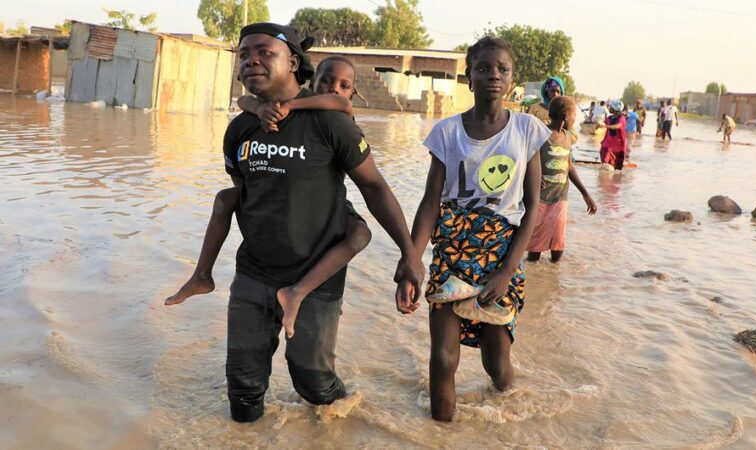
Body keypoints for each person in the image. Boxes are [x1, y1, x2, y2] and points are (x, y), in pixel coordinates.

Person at [170, 22, 424, 423]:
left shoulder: (330, 123)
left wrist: (410, 255)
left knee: (314, 383)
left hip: (315, 276)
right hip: (253, 272)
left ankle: (354, 426)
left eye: (264, 52)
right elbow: (245, 191)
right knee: (243, 388)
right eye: (244, 54)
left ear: (292, 62)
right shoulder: (239, 129)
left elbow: (375, 188)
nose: (251, 59)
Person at [405, 36, 549, 422]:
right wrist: (412, 261)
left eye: (502, 69)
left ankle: (505, 414)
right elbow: (430, 202)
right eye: (483, 68)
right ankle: (440, 432)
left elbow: (532, 206)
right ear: (469, 76)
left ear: (512, 78)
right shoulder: (447, 133)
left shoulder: (526, 130)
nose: (493, 75)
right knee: (442, 358)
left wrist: (506, 272)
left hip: (502, 253)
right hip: (452, 252)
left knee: (496, 362)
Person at [232, 56, 373, 338]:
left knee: (360, 234)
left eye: (344, 85)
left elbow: (339, 104)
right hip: (290, 205)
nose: (334, 89)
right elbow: (241, 101)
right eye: (326, 81)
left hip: (327, 203)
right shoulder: (287, 117)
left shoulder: (340, 115)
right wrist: (259, 107)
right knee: (228, 198)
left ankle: (299, 291)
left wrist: (289, 105)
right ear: (312, 82)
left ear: (352, 94)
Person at [526, 96, 597, 263]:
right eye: (574, 115)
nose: (575, 119)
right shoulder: (542, 135)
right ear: (566, 116)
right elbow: (525, 157)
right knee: (536, 244)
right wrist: (533, 176)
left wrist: (585, 194)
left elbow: (569, 166)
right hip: (541, 197)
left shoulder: (567, 136)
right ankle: (534, 274)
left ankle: (553, 273)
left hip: (560, 197)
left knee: (558, 241)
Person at [598, 99, 627, 170]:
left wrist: (605, 126)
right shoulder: (609, 118)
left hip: (618, 147)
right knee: (605, 165)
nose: (609, 108)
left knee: (616, 168)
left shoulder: (621, 118)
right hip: (606, 145)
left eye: (610, 106)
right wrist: (598, 124)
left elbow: (617, 126)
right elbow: (603, 123)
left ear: (615, 109)